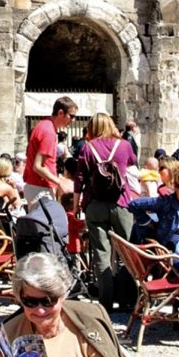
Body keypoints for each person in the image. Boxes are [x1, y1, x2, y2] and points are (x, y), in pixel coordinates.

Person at [0, 252, 126, 357]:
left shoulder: (88, 322)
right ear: (19, 298)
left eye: (48, 300)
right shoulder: (9, 334)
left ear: (63, 295)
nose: (40, 310)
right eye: (30, 301)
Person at [74, 112, 136, 308]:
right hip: (121, 203)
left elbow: (80, 178)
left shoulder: (87, 148)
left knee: (101, 252)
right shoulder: (124, 146)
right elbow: (133, 161)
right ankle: (127, 300)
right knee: (126, 252)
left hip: (95, 204)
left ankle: (106, 301)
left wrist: (76, 205)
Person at [24, 97, 77, 206]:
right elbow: (38, 166)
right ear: (61, 113)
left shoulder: (43, 125)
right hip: (40, 189)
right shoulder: (48, 131)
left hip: (36, 187)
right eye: (71, 116)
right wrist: (60, 182)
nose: (73, 120)